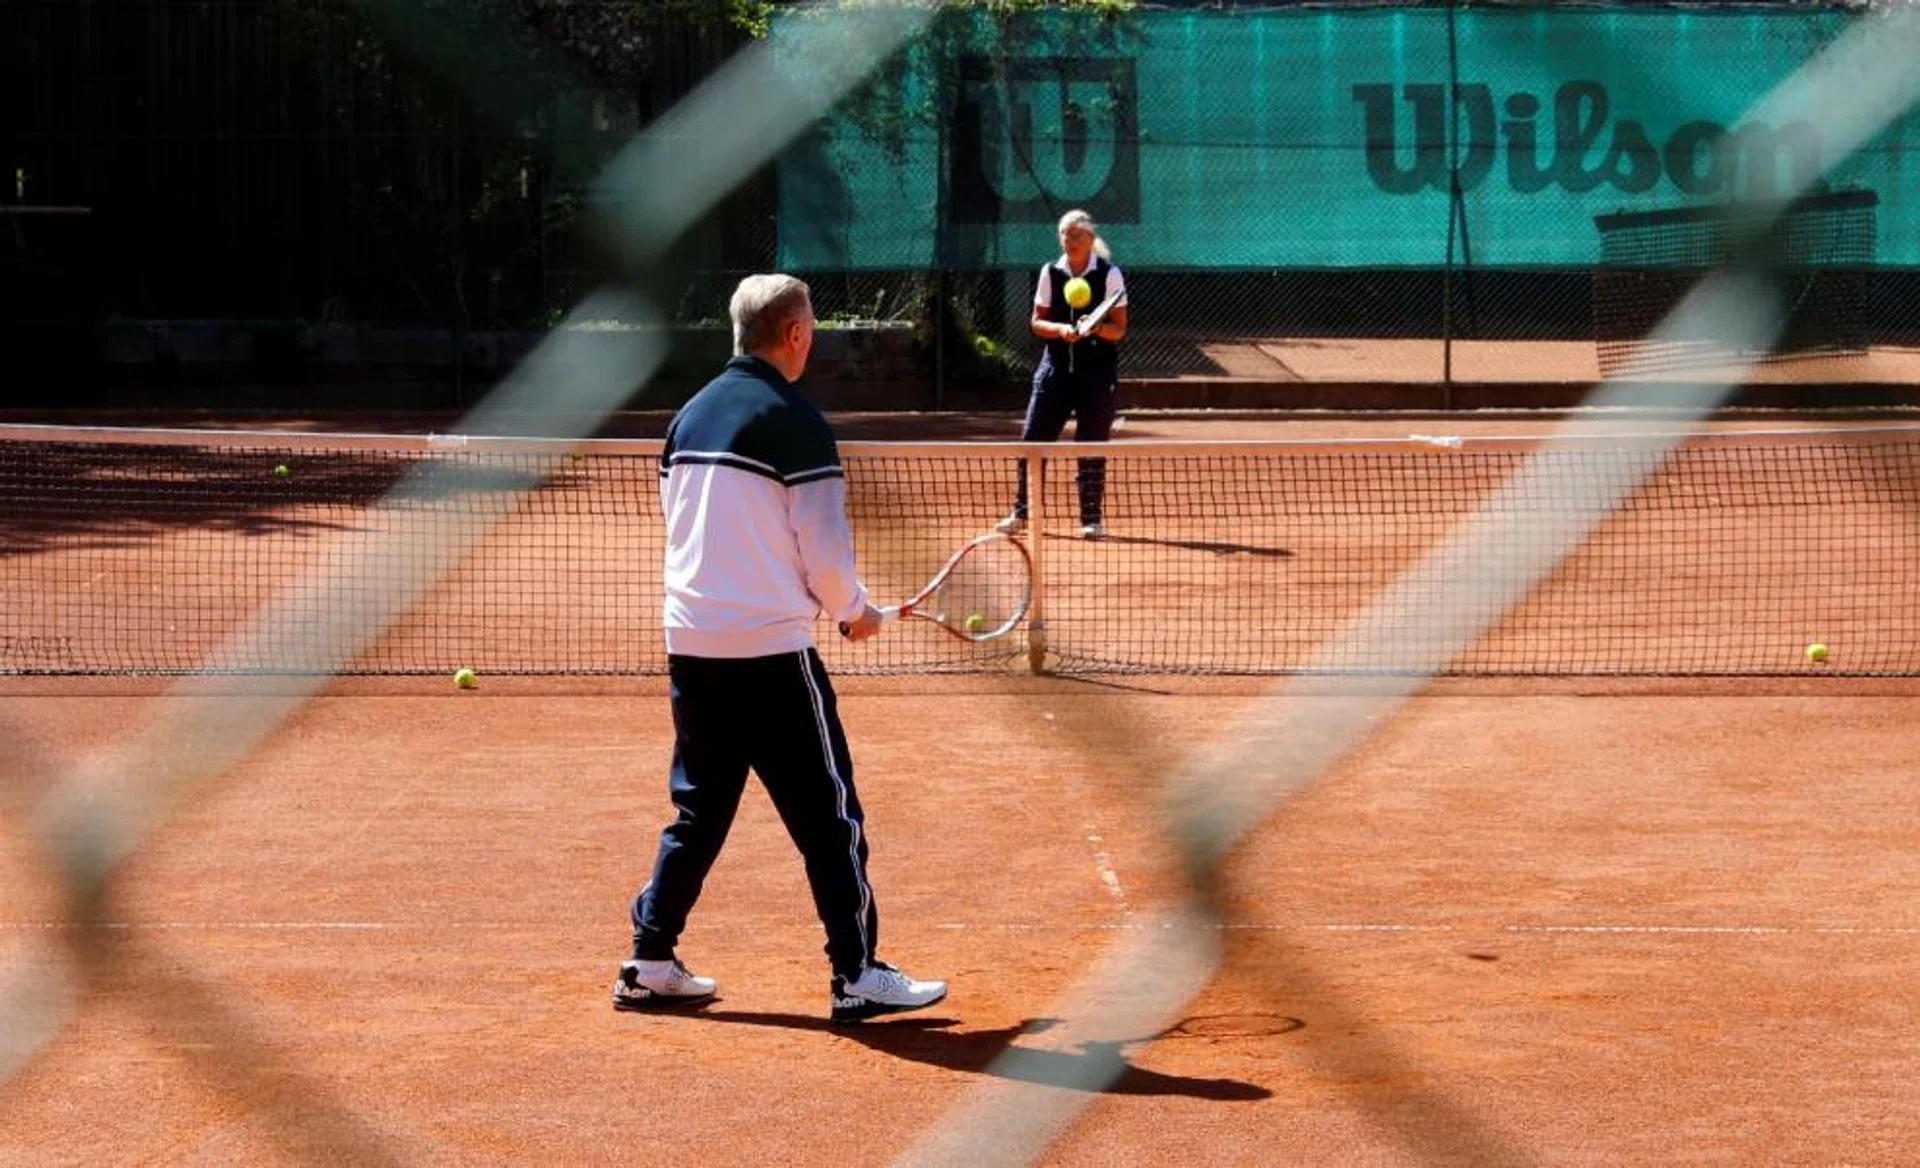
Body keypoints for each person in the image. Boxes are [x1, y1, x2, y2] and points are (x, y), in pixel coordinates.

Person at [614, 273, 948, 1024]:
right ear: (795, 335)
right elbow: (823, 549)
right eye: (812, 328)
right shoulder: (796, 421)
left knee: (699, 811)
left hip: (693, 646)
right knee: (830, 817)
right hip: (770, 657)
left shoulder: (690, 415)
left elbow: (689, 523)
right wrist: (853, 613)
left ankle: (649, 960)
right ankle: (856, 973)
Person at [997, 208, 1129, 540]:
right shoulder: (1051, 272)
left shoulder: (1110, 274)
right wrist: (1060, 330)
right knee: (1032, 441)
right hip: (1054, 371)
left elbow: (1119, 329)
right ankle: (1022, 513)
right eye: (1064, 234)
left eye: (1076, 235)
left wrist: (1095, 328)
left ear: (1091, 238)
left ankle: (1091, 519)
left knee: (1092, 445)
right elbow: (1037, 322)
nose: (1069, 241)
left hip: (1096, 374)